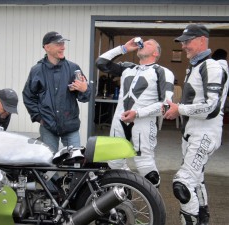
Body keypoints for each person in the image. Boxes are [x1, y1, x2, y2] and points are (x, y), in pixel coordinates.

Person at [164, 24, 229, 225]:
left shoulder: (211, 67)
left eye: (188, 41)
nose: (184, 46)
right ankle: (202, 219)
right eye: (182, 42)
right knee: (196, 180)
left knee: (182, 184)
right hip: (192, 134)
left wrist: (179, 109)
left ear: (202, 39)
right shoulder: (195, 67)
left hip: (205, 134)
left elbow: (212, 107)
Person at [96, 38, 174, 188]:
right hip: (119, 121)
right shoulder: (127, 68)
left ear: (156, 52)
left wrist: (137, 113)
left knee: (145, 165)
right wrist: (124, 48)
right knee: (114, 163)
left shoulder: (162, 72)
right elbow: (101, 63)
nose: (144, 43)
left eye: (150, 43)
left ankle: (153, 204)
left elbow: (166, 106)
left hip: (143, 123)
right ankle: (121, 200)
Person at [22, 31, 91, 153]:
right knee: (48, 163)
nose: (63, 47)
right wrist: (39, 117)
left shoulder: (73, 68)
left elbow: (85, 98)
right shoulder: (37, 70)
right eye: (59, 44)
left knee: (74, 162)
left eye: (63, 44)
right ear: (47, 47)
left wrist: (84, 90)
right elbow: (28, 96)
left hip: (70, 126)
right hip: (48, 126)